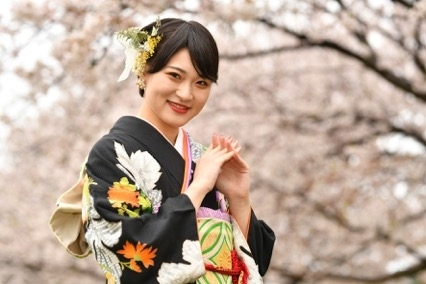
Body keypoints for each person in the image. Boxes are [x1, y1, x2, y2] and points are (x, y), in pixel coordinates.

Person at [52, 17, 275, 283]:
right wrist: (197, 189)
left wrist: (239, 198)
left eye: (201, 83)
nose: (186, 94)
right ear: (144, 71)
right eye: (174, 76)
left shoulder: (204, 159)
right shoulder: (111, 155)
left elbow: (255, 266)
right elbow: (125, 251)